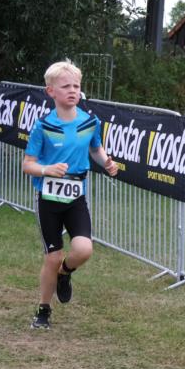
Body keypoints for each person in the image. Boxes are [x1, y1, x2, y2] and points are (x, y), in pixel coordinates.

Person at [22, 60, 118, 329]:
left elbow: (96, 149)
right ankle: (43, 310)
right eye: (65, 86)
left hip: (76, 197)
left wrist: (107, 162)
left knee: (84, 249)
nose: (72, 90)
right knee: (51, 257)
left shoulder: (90, 122)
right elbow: (27, 164)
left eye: (76, 85)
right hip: (48, 200)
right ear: (51, 91)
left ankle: (65, 273)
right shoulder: (43, 126)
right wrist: (46, 169)